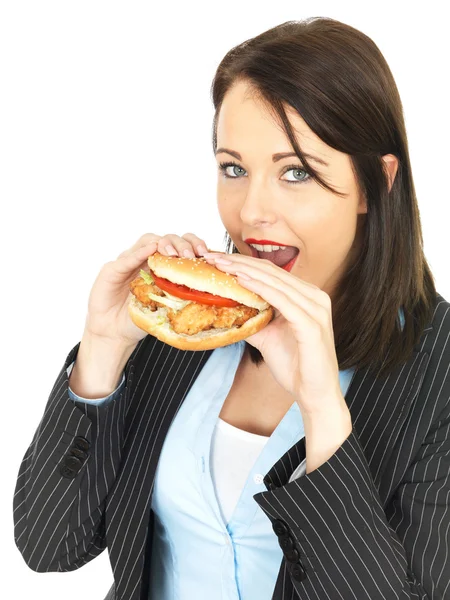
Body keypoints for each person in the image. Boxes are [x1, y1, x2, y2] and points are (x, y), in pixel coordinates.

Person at [13, 16, 449, 600]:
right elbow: (49, 546)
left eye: (296, 172)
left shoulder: (440, 372)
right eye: (234, 169)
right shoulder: (182, 326)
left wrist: (323, 412)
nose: (252, 212)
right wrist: (104, 347)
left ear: (376, 183)